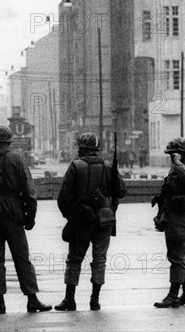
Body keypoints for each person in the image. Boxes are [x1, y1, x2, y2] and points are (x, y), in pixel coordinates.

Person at [0, 125, 51, 315]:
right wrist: (30, 218)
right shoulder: (17, 159)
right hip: (13, 213)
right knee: (21, 258)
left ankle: (0, 302)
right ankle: (32, 299)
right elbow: (29, 192)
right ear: (9, 141)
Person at [55, 132, 127, 312]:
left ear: (82, 148)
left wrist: (72, 216)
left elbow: (63, 198)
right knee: (100, 259)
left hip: (82, 220)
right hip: (105, 218)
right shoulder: (108, 166)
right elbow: (121, 190)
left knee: (74, 260)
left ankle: (69, 300)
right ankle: (95, 301)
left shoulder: (76, 166)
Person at [152, 137, 185, 308]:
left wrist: (179, 164)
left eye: (172, 154)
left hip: (181, 218)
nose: (170, 157)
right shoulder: (177, 169)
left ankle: (173, 295)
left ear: (179, 154)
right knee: (180, 257)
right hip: (172, 217)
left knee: (176, 258)